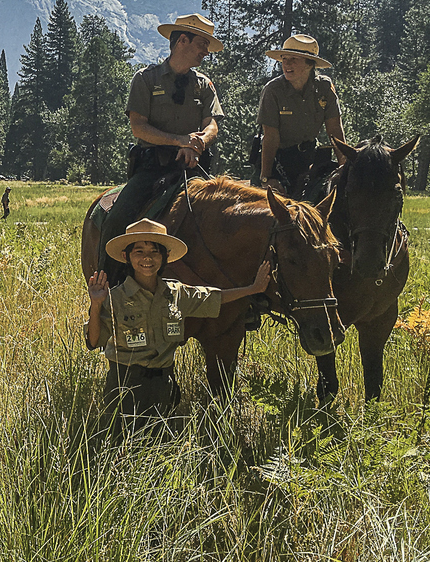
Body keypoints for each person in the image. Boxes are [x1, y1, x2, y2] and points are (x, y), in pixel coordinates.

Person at [86, 219, 270, 424]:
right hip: (124, 385)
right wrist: (96, 305)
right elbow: (94, 341)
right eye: (139, 252)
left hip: (164, 384)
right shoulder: (115, 298)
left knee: (162, 445)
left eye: (155, 252)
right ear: (126, 257)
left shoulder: (176, 293)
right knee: (122, 445)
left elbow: (213, 297)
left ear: (165, 258)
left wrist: (252, 289)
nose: (147, 258)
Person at [97, 14, 225, 273]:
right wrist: (180, 142)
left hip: (194, 169)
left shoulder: (205, 85)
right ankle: (107, 285)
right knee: (118, 218)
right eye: (202, 43)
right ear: (183, 41)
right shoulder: (145, 79)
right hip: (152, 169)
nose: (206, 51)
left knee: (224, 220)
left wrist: (198, 144)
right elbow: (139, 127)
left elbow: (212, 124)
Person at [256, 34, 345, 201]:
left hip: (311, 157)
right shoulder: (273, 90)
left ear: (309, 64)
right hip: (278, 160)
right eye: (284, 59)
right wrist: (266, 178)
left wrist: (344, 167)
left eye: (294, 59)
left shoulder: (324, 87)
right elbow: (270, 137)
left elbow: (335, 129)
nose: (287, 64)